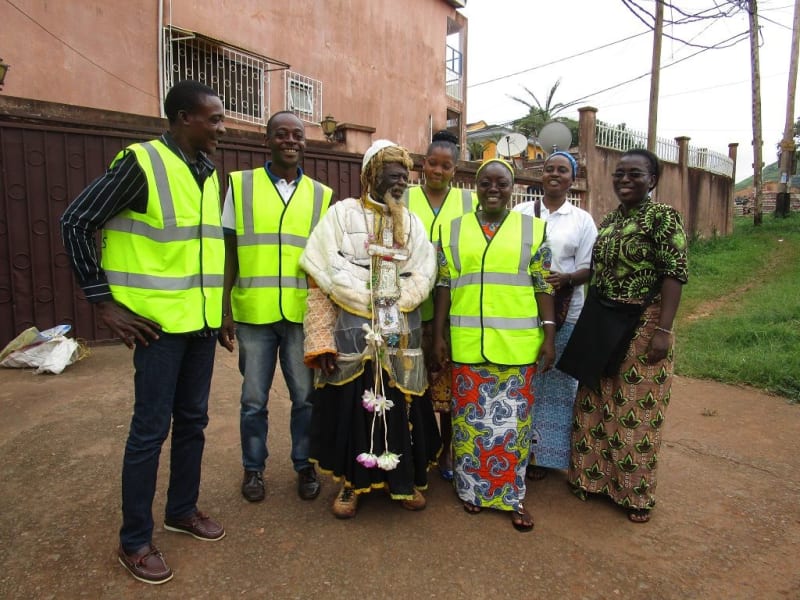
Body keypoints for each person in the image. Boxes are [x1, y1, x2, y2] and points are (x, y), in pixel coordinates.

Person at [60, 80, 227, 585]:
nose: (221, 127)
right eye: (213, 119)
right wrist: (103, 303)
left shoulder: (205, 171)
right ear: (182, 118)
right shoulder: (141, 163)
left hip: (198, 323)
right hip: (155, 328)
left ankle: (182, 510)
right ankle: (134, 540)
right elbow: (75, 221)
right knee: (149, 432)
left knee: (194, 421)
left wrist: (216, 314)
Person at [299, 140, 441, 519]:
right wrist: (320, 340)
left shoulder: (412, 223)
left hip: (400, 333)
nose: (400, 185)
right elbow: (318, 275)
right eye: (392, 178)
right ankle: (351, 484)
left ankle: (404, 482)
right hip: (352, 334)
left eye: (404, 179)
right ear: (370, 177)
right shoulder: (341, 216)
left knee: (401, 405)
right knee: (353, 409)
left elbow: (424, 272)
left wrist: (399, 297)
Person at [433, 158, 556, 532]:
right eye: (485, 182)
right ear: (475, 186)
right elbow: (443, 285)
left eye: (501, 183)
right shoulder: (453, 231)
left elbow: (544, 284)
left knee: (513, 428)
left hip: (517, 347)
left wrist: (549, 334)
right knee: (469, 425)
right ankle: (472, 492)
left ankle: (513, 497)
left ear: (512, 187)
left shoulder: (533, 230)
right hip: (468, 344)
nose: (492, 189)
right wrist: (438, 335)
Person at [566, 148, 688, 523]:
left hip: (643, 321)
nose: (624, 180)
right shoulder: (612, 220)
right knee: (594, 399)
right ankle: (591, 480)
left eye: (634, 174)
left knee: (634, 407)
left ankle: (635, 495)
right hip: (603, 319)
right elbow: (599, 271)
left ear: (652, 180)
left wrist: (663, 330)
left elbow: (674, 273)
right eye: (619, 174)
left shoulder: (663, 219)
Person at [218, 111, 333, 504]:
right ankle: (254, 469)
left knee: (305, 398)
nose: (290, 141)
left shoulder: (322, 195)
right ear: (266, 140)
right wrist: (224, 308)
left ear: (305, 142)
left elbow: (326, 259)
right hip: (254, 312)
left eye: (297, 135)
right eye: (281, 134)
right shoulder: (240, 185)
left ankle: (305, 465)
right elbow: (229, 250)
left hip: (303, 315)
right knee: (254, 400)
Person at [513, 151, 597, 480]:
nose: (554, 174)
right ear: (541, 175)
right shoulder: (520, 213)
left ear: (571, 179)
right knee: (526, 381)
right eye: (549, 169)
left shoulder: (581, 220)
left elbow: (589, 268)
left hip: (566, 312)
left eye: (562, 170)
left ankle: (547, 456)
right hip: (523, 310)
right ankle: (521, 448)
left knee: (558, 385)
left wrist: (566, 279)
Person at [403, 130, 476, 482]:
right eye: (432, 163)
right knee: (413, 384)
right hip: (410, 307)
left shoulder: (468, 203)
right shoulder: (403, 197)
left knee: (447, 385)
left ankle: (447, 450)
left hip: (451, 310)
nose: (437, 170)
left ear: (456, 169)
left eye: (446, 165)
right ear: (422, 164)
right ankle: (417, 447)